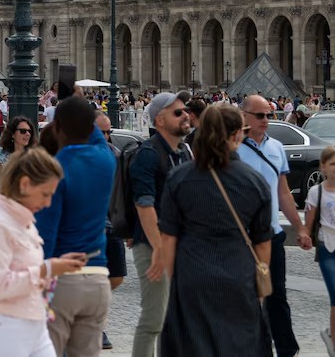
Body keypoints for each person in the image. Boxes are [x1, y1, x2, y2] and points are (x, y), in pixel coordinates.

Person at [150, 103, 272, 356]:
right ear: (237, 134)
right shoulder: (254, 181)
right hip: (239, 275)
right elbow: (262, 243)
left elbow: (169, 238)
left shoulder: (179, 178)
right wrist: (258, 281)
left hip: (193, 273)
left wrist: (177, 279)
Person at [0, 147, 88, 357]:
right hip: (6, 328)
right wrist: (47, 268)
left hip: (33, 321)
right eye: (45, 194)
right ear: (25, 184)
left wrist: (54, 266)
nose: (48, 203)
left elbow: (28, 272)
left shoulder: (22, 221)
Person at [34, 96, 115, 356]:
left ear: (57, 127)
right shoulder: (106, 160)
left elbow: (46, 233)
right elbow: (97, 136)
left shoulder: (54, 170)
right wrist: (79, 101)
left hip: (62, 279)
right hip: (98, 276)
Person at [238, 94, 310, 356]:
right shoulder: (233, 148)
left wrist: (300, 228)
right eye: (260, 115)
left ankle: (286, 350)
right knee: (246, 297)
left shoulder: (277, 148)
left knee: (276, 295)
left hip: (272, 234)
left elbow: (283, 193)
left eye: (269, 115)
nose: (266, 120)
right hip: (242, 236)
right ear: (244, 116)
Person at [128, 91, 193, 357]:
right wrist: (159, 249)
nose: (185, 115)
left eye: (185, 110)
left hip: (181, 245)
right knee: (154, 319)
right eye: (178, 112)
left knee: (177, 320)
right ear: (160, 120)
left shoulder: (185, 151)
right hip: (153, 245)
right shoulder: (148, 153)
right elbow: (144, 205)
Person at [95, 111, 126, 351]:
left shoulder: (116, 154)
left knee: (115, 277)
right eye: (101, 132)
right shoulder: (80, 156)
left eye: (109, 132)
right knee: (96, 278)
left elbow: (124, 191)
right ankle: (97, 326)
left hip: (113, 224)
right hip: (92, 226)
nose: (106, 137)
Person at [305, 146, 335, 354]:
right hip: (328, 247)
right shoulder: (317, 192)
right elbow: (308, 225)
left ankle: (331, 333)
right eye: (333, 164)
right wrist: (304, 235)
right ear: (323, 167)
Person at [0, 116, 34, 191]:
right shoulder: (1, 156)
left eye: (29, 131)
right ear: (12, 134)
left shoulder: (34, 155)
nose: (28, 134)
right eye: (23, 131)